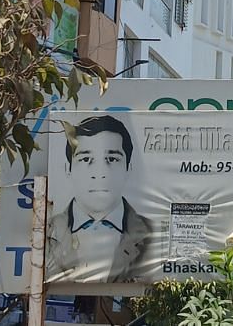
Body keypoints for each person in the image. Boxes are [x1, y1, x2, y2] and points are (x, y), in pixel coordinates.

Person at [45, 115, 154, 282]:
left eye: (112, 159)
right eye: (86, 159)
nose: (100, 173)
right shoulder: (46, 231)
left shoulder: (151, 233)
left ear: (128, 168)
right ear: (69, 168)